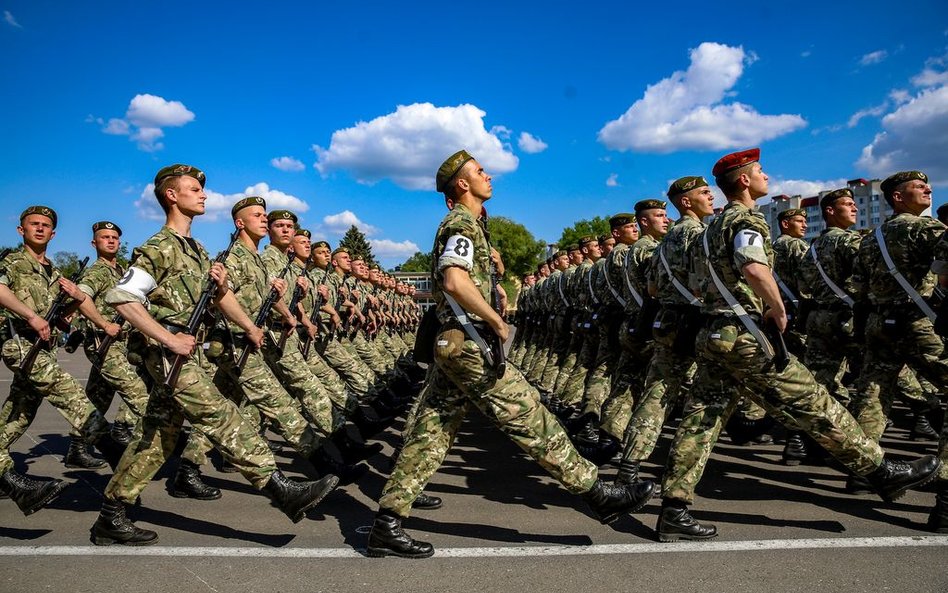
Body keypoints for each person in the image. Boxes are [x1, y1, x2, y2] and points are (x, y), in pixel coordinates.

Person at [365, 150, 656, 558]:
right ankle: (597, 493)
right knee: (530, 416)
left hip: (455, 342)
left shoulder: (470, 226)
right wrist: (497, 322)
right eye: (480, 172)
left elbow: (452, 281)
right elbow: (452, 280)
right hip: (470, 345)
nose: (489, 176)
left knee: (429, 434)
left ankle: (387, 523)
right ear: (463, 184)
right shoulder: (460, 223)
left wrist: (493, 282)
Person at [656, 149, 940, 542]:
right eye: (759, 171)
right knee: (813, 402)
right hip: (745, 335)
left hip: (714, 333)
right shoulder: (746, 218)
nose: (765, 176)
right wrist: (775, 307)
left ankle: (674, 509)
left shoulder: (708, 229)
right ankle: (880, 471)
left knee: (701, 421)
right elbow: (754, 266)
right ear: (743, 181)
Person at [89, 164, 338, 546]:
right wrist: (168, 340)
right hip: (169, 354)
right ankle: (280, 489)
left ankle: (111, 514)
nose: (203, 194)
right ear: (171, 196)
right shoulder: (160, 247)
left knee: (158, 437)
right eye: (194, 189)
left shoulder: (196, 249)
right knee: (222, 415)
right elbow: (121, 298)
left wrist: (251, 326)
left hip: (182, 354)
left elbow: (222, 297)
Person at [0, 206, 125, 516]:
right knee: (65, 388)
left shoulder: (53, 271)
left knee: (19, 413)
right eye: (34, 225)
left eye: (46, 226)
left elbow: (60, 317)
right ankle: (111, 446)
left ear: (53, 234)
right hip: (19, 344)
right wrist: (31, 316)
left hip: (42, 348)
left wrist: (67, 310)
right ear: (21, 230)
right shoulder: (13, 262)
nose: (40, 229)